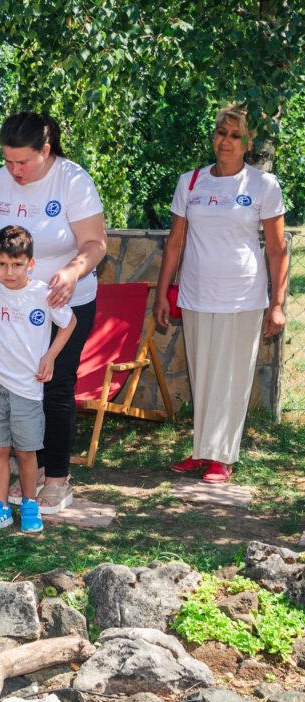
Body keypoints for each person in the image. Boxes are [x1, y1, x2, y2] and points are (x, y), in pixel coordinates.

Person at [0, 112, 107, 514]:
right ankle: (31, 470)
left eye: (22, 162)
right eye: (7, 161)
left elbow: (95, 244)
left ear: (46, 150)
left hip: (63, 301)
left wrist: (72, 272)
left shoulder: (73, 180)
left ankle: (56, 478)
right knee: (17, 386)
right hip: (12, 307)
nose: (14, 170)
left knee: (54, 384)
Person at [153, 105, 288, 485]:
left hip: (243, 296)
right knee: (202, 375)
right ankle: (202, 451)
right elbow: (175, 243)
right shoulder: (191, 182)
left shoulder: (263, 185)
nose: (225, 141)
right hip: (196, 294)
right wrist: (162, 294)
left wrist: (278, 304)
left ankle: (223, 457)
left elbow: (277, 250)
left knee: (232, 377)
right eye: (220, 133)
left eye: (234, 135)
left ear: (248, 143)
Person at [0, 225, 75, 534]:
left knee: (26, 452)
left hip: (27, 388)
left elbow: (69, 322)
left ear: (31, 263)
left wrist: (50, 357)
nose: (9, 271)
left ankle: (30, 505)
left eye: (17, 264)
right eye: (2, 264)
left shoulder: (42, 294)